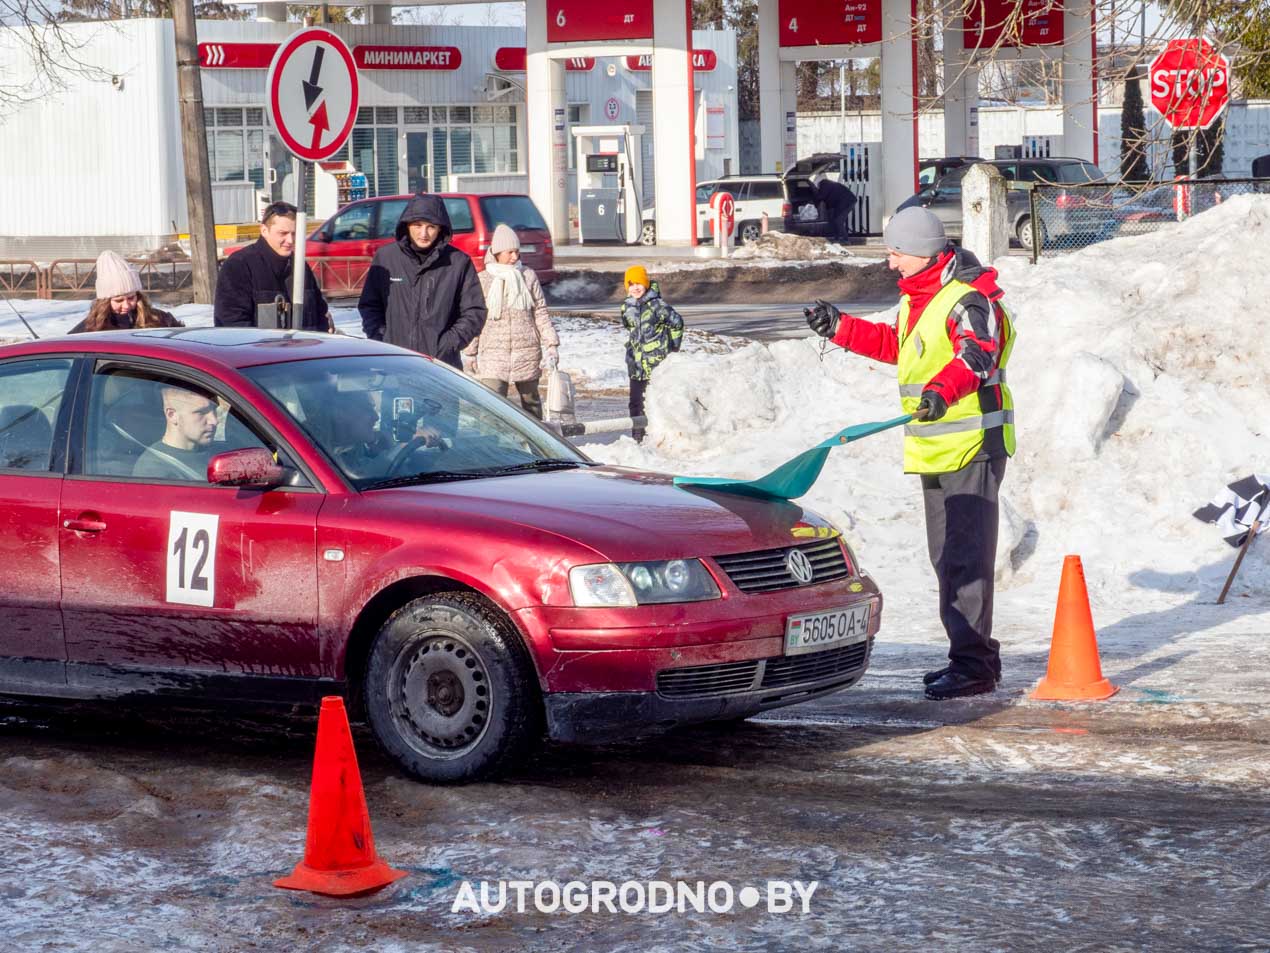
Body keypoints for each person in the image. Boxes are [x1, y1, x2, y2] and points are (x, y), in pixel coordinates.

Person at [805, 206, 1016, 701]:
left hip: (971, 448)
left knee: (966, 560)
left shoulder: (966, 300)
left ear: (921, 253)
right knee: (947, 558)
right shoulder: (920, 300)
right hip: (937, 449)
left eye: (896, 253)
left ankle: (973, 667)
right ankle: (974, 655)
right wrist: (839, 327)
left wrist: (943, 390)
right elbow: (898, 346)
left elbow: (977, 355)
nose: (891, 263)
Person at [359, 193, 487, 368]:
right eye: (417, 225)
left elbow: (474, 311)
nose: (423, 233)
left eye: (431, 227)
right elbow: (370, 305)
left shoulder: (458, 262)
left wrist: (448, 344)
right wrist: (381, 337)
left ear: (441, 228)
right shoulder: (387, 257)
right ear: (407, 225)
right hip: (393, 362)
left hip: (441, 365)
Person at [463, 224, 559, 420]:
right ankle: (492, 446)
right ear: (497, 252)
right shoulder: (483, 280)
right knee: (492, 406)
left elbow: (540, 311)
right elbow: (476, 317)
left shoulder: (528, 276)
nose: (515, 257)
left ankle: (535, 445)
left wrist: (551, 343)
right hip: (493, 354)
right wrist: (470, 352)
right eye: (510, 252)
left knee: (531, 405)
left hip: (527, 352)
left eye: (517, 252)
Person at [214, 201, 333, 332]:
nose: (290, 240)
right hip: (259, 351)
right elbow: (232, 325)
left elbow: (320, 314)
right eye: (283, 233)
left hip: (304, 350)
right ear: (264, 230)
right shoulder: (239, 265)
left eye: (295, 234)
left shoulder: (299, 266)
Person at [621, 265, 683, 443]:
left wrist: (672, 348)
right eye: (631, 285)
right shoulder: (627, 307)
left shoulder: (657, 305)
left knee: (655, 402)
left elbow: (677, 323)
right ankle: (638, 437)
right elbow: (629, 326)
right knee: (635, 402)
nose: (635, 288)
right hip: (636, 364)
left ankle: (658, 436)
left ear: (646, 283)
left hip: (656, 364)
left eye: (638, 283)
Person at [69, 250, 183, 333]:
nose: (126, 305)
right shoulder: (88, 330)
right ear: (104, 302)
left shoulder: (161, 319)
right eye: (118, 300)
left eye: (131, 298)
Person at [132, 385, 221, 481]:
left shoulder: (218, 451)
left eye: (214, 410)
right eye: (201, 412)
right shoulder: (154, 471)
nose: (214, 420)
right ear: (172, 415)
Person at [812, 172, 858, 243]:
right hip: (846, 201)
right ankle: (837, 238)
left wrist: (814, 202)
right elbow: (828, 202)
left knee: (838, 220)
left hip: (847, 202)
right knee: (835, 220)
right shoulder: (828, 185)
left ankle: (845, 239)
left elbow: (821, 196)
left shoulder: (824, 184)